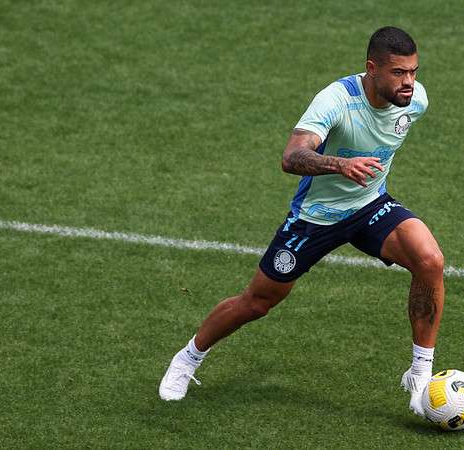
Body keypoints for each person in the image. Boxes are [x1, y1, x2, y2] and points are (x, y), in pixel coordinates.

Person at [159, 26, 444, 417]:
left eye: (413, 71)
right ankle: (189, 357)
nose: (409, 82)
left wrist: (360, 178)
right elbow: (291, 156)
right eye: (398, 73)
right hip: (316, 219)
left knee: (429, 260)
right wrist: (341, 164)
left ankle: (420, 374)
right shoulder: (336, 100)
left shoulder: (416, 101)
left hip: (369, 206)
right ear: (372, 68)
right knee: (257, 302)